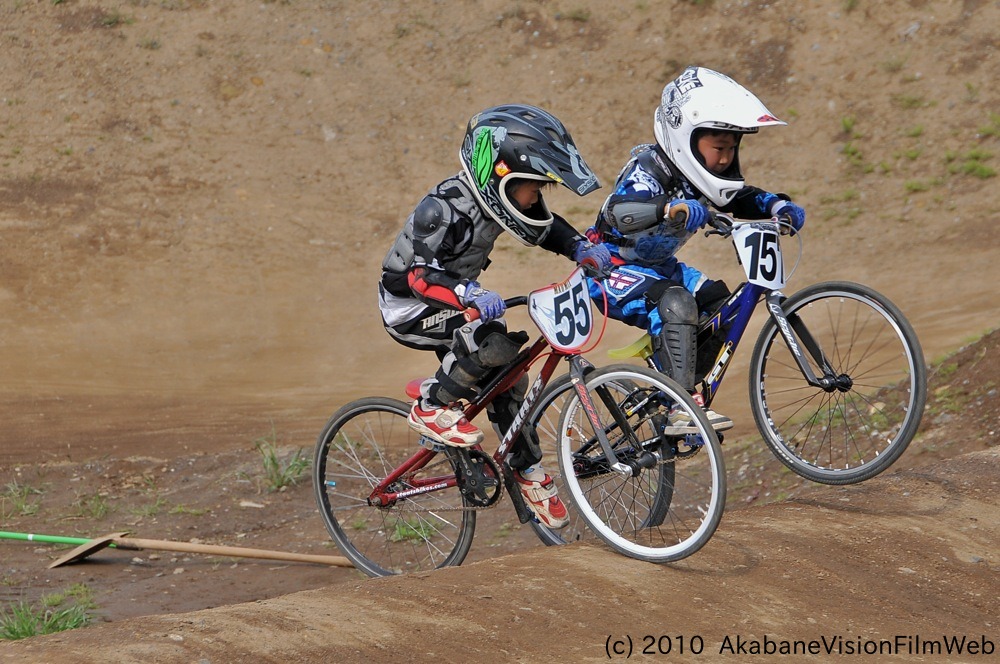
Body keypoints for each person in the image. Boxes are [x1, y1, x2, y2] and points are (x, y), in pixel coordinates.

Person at [378, 104, 611, 529]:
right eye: (531, 188)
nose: (535, 198)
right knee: (490, 342)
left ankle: (525, 470)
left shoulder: (499, 201)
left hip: (454, 298)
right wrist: (468, 291)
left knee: (511, 375)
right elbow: (418, 276)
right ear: (499, 177)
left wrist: (580, 247)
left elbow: (546, 226)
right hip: (410, 307)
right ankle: (431, 406)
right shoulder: (443, 209)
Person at [585, 66, 806, 432]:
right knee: (677, 303)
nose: (724, 158)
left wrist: (777, 207)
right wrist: (669, 209)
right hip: (608, 269)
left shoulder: (700, 176)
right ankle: (679, 405)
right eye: (718, 148)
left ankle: (677, 382)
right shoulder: (647, 171)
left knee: (723, 304)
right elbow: (618, 212)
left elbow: (743, 196)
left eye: (732, 149)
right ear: (684, 139)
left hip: (660, 267)